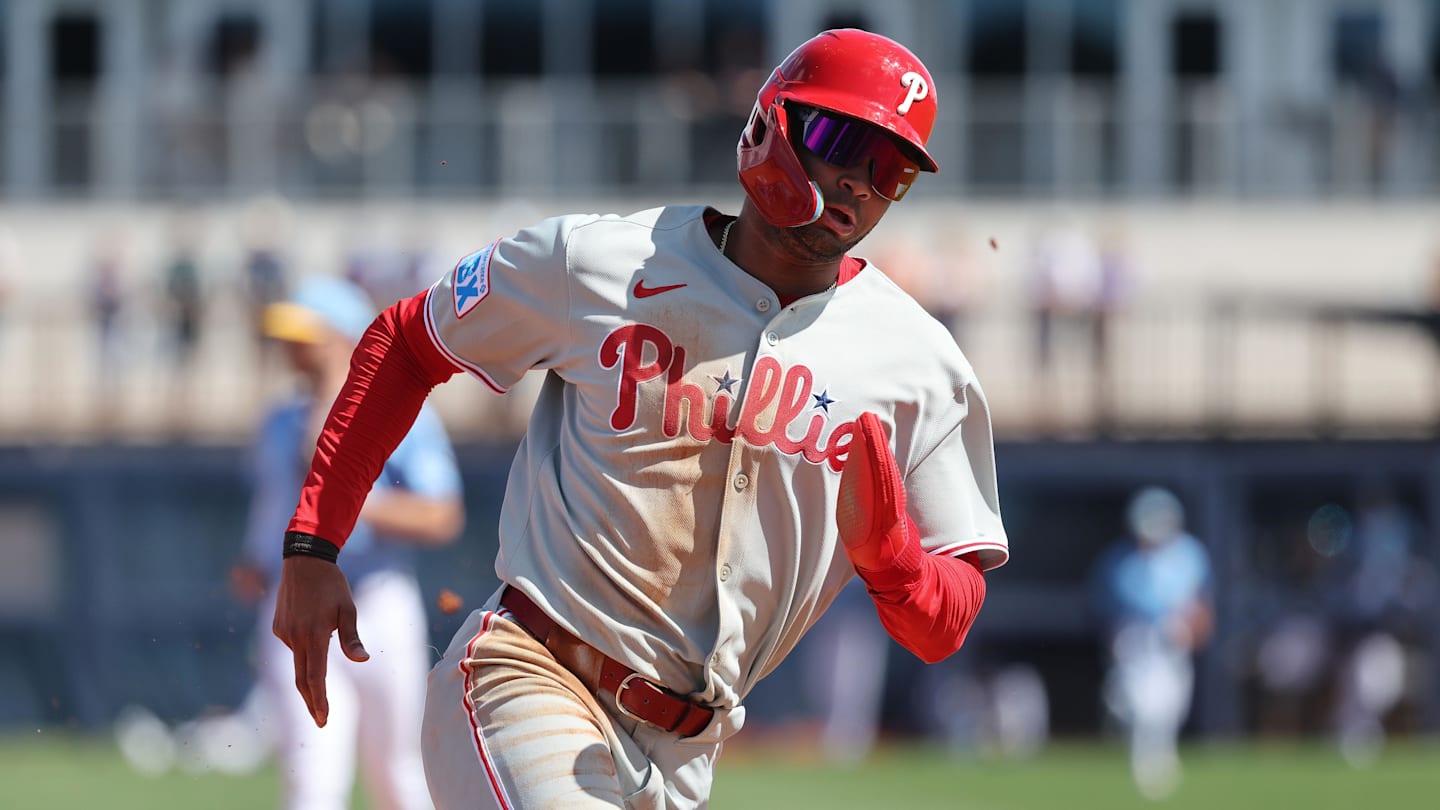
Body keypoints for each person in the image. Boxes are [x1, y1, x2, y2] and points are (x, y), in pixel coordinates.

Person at [273, 29, 1007, 809]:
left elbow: (946, 622)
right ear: (772, 122)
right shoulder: (598, 261)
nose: (859, 181)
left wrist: (896, 565)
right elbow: (407, 342)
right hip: (531, 675)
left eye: (890, 168)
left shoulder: (918, 362)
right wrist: (314, 545)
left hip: (691, 752)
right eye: (841, 139)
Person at [246, 275, 465, 810]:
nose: (292, 348)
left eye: (306, 334)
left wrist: (345, 503)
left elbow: (442, 515)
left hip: (379, 600)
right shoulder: (280, 420)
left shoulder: (404, 414)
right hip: (295, 599)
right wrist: (254, 559)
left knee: (400, 777)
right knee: (312, 780)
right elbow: (271, 503)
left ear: (343, 338)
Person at [1091, 486, 1213, 800]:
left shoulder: (1190, 553)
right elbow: (1109, 610)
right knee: (1141, 707)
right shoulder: (1120, 561)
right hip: (1137, 640)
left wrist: (1191, 629)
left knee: (1170, 706)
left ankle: (1162, 756)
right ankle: (1144, 763)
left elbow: (1201, 605)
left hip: (1174, 640)